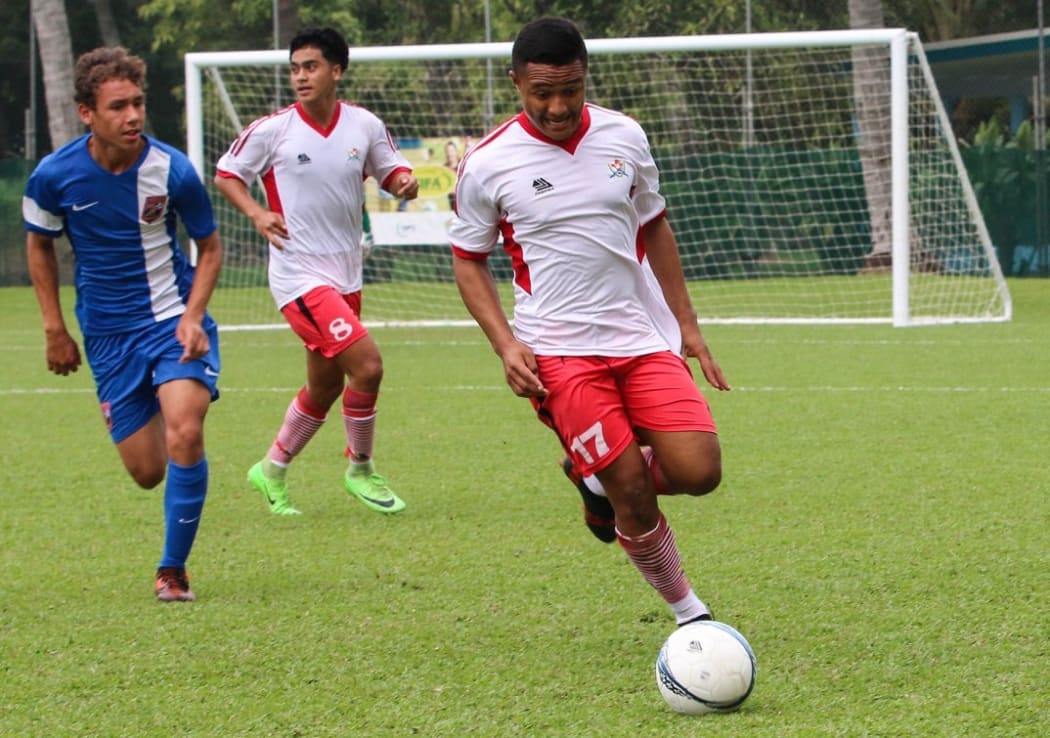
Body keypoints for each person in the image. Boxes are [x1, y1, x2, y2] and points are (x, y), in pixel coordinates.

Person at [448, 18, 731, 626]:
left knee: (699, 471)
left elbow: (653, 223)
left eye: (570, 90)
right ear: (516, 83)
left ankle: (590, 474)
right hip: (558, 351)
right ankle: (692, 618)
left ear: (585, 78)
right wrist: (505, 345)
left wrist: (688, 326)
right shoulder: (489, 162)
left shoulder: (624, 136)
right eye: (541, 93)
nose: (557, 106)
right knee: (631, 486)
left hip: (639, 336)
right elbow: (468, 261)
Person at [23, 46, 223, 602]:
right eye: (117, 107)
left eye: (137, 103)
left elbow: (209, 248)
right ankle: (158, 399)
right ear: (87, 113)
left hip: (170, 323)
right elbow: (38, 246)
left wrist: (193, 315)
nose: (132, 116)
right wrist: (53, 328)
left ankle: (172, 570)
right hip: (108, 336)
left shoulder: (172, 169)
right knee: (146, 472)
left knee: (186, 427)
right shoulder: (54, 176)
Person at [214, 26, 418, 516]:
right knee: (368, 366)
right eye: (295, 68)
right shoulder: (273, 130)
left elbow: (391, 172)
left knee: (326, 386)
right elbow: (227, 174)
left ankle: (272, 469)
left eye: (311, 66)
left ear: (336, 71)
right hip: (298, 275)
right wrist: (257, 214)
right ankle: (361, 469)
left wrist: (406, 184)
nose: (301, 77)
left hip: (347, 274)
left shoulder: (364, 125)